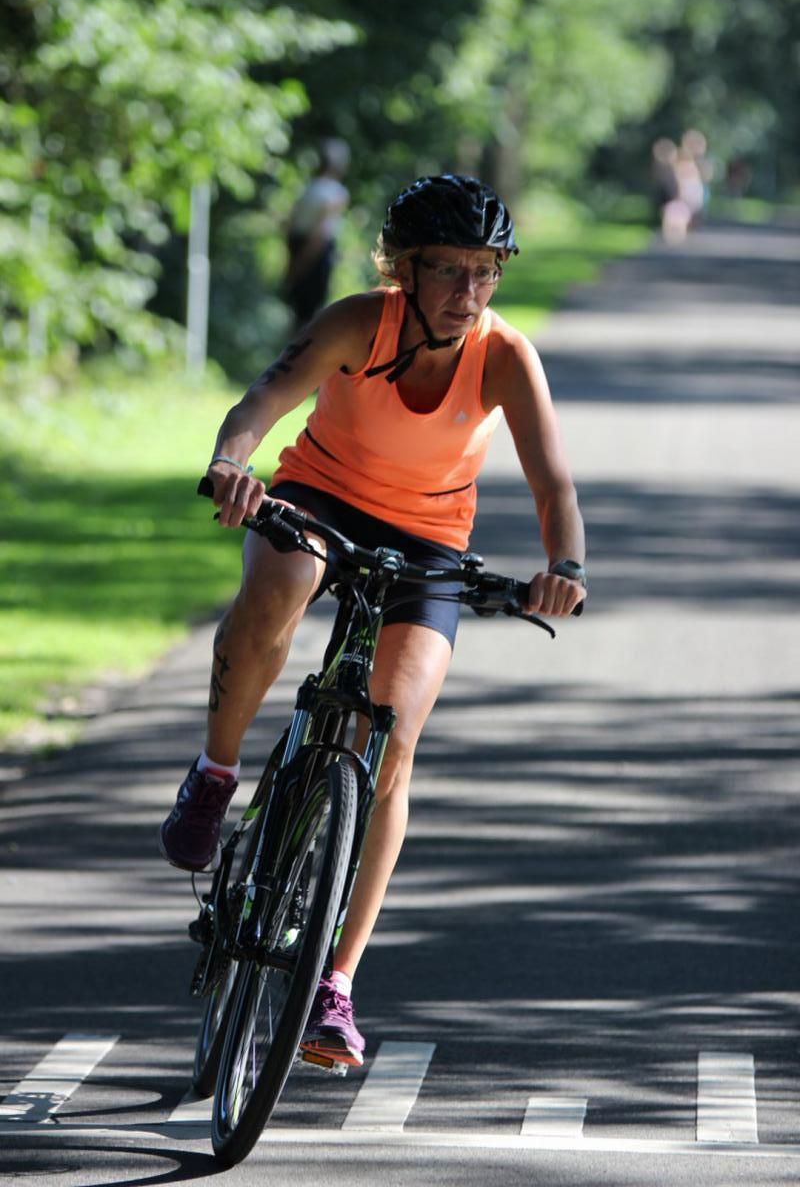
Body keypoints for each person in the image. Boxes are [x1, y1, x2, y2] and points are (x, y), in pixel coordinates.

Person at [160, 174, 587, 1068]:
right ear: (403, 267)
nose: (468, 292)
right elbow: (262, 403)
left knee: (390, 742)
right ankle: (214, 773)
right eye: (447, 270)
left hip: (433, 539)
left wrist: (564, 569)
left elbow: (554, 485)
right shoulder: (361, 321)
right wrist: (231, 464)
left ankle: (334, 984)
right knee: (280, 584)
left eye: (485, 272)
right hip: (322, 496)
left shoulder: (507, 356)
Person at [281, 137, 350, 330]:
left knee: (298, 316)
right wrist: (302, 264)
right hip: (315, 256)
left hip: (297, 249)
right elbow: (320, 234)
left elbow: (290, 224)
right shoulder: (336, 193)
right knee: (311, 318)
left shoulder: (307, 189)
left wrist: (292, 265)